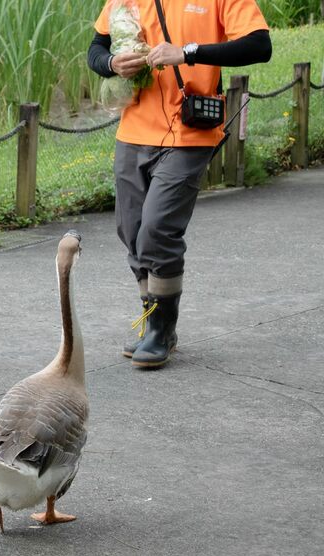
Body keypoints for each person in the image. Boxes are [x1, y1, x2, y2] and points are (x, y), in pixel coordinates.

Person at [87, 1, 271, 368]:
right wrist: (111, 63)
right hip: (133, 131)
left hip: (190, 130)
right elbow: (96, 47)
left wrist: (187, 53)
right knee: (131, 230)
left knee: (158, 229)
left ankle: (161, 329)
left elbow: (259, 46)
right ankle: (151, 318)